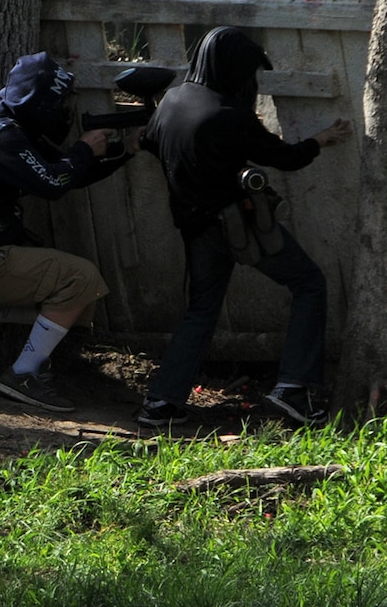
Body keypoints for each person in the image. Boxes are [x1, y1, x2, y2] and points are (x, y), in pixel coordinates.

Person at [140, 26, 352, 428]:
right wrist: (320, 139)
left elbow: (150, 141)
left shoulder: (172, 101)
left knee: (201, 311)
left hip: (196, 227)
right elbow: (285, 157)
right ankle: (294, 389)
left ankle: (161, 402)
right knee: (309, 283)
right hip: (238, 225)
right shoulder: (228, 115)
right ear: (234, 69)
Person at [0, 53, 131, 414]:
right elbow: (54, 182)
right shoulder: (1, 135)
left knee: (82, 299)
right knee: (81, 279)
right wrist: (84, 148)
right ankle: (23, 373)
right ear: (39, 103)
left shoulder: (10, 127)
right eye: (59, 104)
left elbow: (68, 174)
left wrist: (126, 149)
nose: (63, 113)